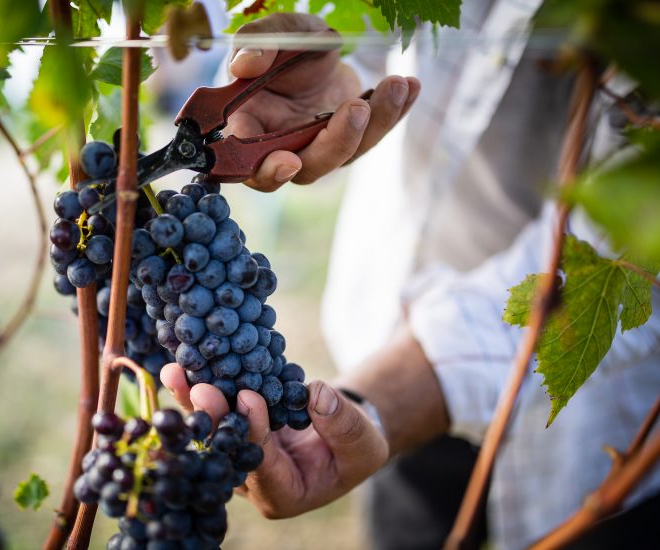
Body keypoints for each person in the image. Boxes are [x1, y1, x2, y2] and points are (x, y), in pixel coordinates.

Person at [161, 8, 660, 550]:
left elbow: (632, 235)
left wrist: (390, 397)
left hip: (593, 433)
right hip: (386, 369)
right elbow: (381, 31)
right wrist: (332, 69)